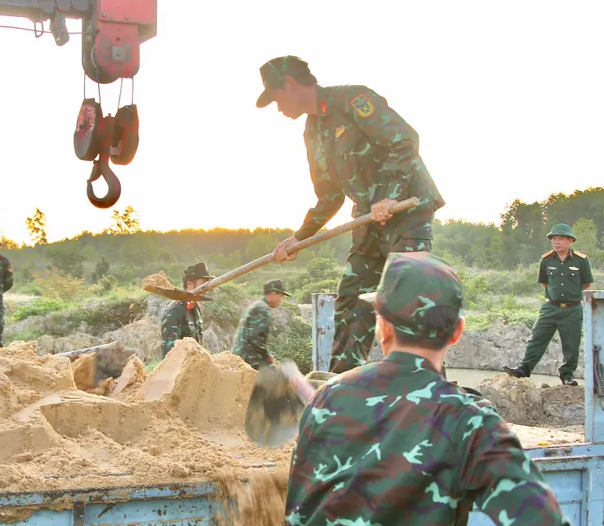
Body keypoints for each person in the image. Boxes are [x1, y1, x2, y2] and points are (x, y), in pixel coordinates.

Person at [273, 253, 580, 526]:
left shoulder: (327, 398)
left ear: (381, 326)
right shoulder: (467, 420)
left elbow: (300, 514)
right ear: (457, 332)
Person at [256, 55, 445, 374]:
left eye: (276, 98)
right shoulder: (312, 132)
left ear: (290, 83)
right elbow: (329, 196)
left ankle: (429, 391)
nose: (278, 108)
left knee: (409, 298)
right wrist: (298, 238)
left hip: (406, 207)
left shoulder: (353, 100)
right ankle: (343, 385)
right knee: (352, 298)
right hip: (369, 219)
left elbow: (405, 140)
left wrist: (390, 195)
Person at [503, 223, 593, 386]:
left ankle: (567, 375)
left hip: (573, 309)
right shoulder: (546, 260)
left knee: (571, 344)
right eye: (554, 239)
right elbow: (544, 283)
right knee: (537, 338)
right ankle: (524, 369)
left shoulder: (581, 261)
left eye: (560, 239)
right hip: (550, 307)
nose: (556, 242)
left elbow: (587, 283)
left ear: (570, 240)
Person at [232, 279, 291, 369]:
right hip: (249, 359)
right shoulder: (263, 309)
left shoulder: (257, 305)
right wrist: (267, 356)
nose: (281, 300)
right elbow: (256, 339)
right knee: (279, 376)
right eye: (281, 296)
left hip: (240, 356)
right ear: (273, 293)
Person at [160, 262, 214, 358]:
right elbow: (170, 355)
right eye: (203, 284)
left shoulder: (195, 309)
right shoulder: (174, 312)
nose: (206, 289)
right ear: (190, 284)